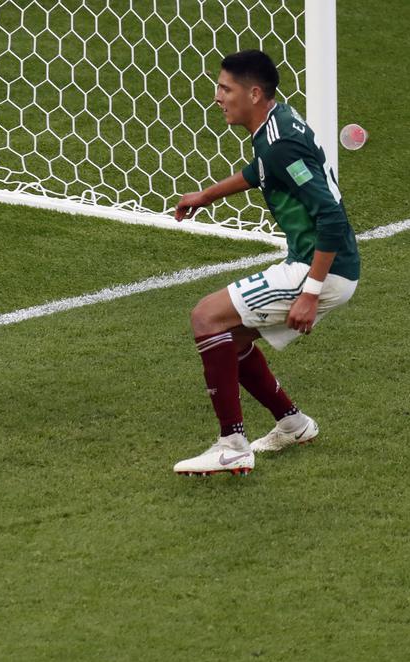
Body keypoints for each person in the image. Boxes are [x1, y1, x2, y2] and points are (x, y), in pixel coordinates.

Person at [171, 49, 359, 476]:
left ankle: (232, 445)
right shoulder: (277, 123)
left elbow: (330, 216)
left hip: (320, 268)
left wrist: (310, 293)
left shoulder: (280, 143)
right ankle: (293, 424)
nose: (218, 97)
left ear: (254, 93)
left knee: (205, 317)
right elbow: (261, 171)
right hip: (323, 264)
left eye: (225, 88)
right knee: (230, 341)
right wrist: (206, 195)